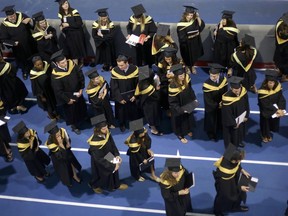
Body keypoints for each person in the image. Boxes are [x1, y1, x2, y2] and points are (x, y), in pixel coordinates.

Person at [87, 114, 128, 193]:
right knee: (102, 174)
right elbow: (99, 159)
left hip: (109, 155)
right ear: (98, 129)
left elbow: (112, 144)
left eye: (106, 127)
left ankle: (116, 185)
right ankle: (94, 185)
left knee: (114, 170)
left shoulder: (106, 132)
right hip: (100, 161)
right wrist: (112, 166)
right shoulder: (95, 142)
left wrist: (116, 155)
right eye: (103, 128)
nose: (106, 130)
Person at [50, 49, 87, 135]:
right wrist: (68, 100)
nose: (65, 63)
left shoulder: (72, 65)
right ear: (57, 64)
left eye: (65, 61)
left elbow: (80, 75)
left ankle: (84, 117)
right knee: (71, 113)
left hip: (78, 92)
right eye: (62, 63)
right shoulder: (55, 75)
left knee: (81, 106)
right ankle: (74, 126)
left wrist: (81, 88)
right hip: (68, 98)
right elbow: (58, 91)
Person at [0, 5, 37, 80]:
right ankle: (25, 71)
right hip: (18, 48)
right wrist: (13, 43)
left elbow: (33, 24)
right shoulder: (4, 26)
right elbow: (3, 39)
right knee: (22, 61)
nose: (13, 17)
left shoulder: (21, 15)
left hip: (29, 43)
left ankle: (35, 68)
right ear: (7, 17)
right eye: (10, 17)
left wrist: (29, 20)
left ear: (15, 13)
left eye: (13, 15)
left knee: (33, 56)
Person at [213, 144, 251, 215]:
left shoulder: (231, 152)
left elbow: (238, 164)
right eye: (239, 160)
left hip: (232, 178)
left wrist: (242, 170)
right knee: (222, 197)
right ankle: (217, 212)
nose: (240, 161)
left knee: (239, 194)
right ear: (233, 161)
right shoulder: (225, 172)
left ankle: (235, 207)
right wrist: (240, 188)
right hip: (225, 183)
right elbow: (227, 190)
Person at [44, 120, 82, 187]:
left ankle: (75, 176)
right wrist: (61, 144)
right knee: (64, 170)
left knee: (71, 163)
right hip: (58, 157)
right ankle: (67, 182)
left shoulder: (62, 131)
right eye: (57, 135)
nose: (60, 136)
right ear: (53, 136)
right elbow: (61, 156)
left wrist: (68, 142)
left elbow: (67, 137)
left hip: (66, 150)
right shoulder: (50, 143)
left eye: (59, 133)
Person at [110, 54, 140, 132]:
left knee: (134, 111)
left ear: (127, 63)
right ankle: (122, 124)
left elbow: (138, 84)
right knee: (121, 112)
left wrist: (135, 95)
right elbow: (114, 86)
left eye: (122, 65)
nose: (120, 67)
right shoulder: (115, 71)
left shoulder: (134, 69)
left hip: (132, 96)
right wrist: (119, 98)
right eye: (118, 65)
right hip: (121, 96)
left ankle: (135, 126)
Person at [168, 64, 197, 144]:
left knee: (188, 118)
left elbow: (190, 90)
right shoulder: (173, 86)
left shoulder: (186, 79)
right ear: (176, 76)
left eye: (183, 75)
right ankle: (180, 135)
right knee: (179, 121)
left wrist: (194, 99)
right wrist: (180, 110)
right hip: (178, 108)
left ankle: (188, 130)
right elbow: (172, 102)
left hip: (187, 104)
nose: (182, 77)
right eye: (180, 76)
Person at [258, 70, 286, 143]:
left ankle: (269, 132)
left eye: (273, 82)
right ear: (266, 82)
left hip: (275, 108)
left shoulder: (277, 87)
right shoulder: (262, 91)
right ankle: (264, 135)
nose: (272, 84)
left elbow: (280, 97)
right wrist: (276, 110)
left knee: (273, 122)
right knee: (265, 123)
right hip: (266, 109)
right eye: (270, 82)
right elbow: (265, 104)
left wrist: (281, 108)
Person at [221, 76, 250, 148]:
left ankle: (239, 141)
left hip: (241, 118)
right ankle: (230, 152)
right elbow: (227, 114)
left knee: (239, 132)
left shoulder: (243, 92)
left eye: (238, 89)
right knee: (231, 137)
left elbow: (246, 103)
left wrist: (246, 115)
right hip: (231, 122)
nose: (237, 91)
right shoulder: (226, 98)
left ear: (241, 87)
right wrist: (234, 124)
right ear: (231, 88)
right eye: (235, 89)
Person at [56, 0, 86, 65]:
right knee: (73, 51)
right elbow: (63, 23)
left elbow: (79, 23)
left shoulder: (74, 11)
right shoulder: (61, 14)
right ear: (60, 6)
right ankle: (75, 66)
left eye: (66, 3)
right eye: (63, 4)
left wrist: (69, 24)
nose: (66, 5)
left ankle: (81, 61)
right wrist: (61, 27)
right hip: (69, 35)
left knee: (80, 48)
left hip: (77, 34)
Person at [202, 63, 228, 141]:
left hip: (221, 103)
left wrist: (223, 102)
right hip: (212, 106)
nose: (213, 77)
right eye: (212, 75)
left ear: (219, 74)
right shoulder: (207, 84)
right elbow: (207, 99)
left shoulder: (223, 80)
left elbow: (225, 92)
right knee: (211, 119)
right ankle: (211, 133)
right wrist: (216, 105)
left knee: (221, 117)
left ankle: (220, 127)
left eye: (215, 75)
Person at [177, 5, 205, 74]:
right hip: (186, 43)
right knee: (186, 56)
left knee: (194, 56)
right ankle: (186, 67)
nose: (190, 16)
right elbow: (181, 37)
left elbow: (201, 26)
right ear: (185, 14)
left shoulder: (194, 21)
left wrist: (198, 17)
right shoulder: (181, 24)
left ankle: (192, 66)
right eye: (188, 15)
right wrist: (192, 36)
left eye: (191, 15)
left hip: (194, 42)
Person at [135, 65, 162, 135]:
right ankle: (154, 130)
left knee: (149, 116)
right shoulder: (148, 88)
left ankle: (151, 125)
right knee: (152, 117)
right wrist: (158, 88)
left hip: (145, 103)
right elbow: (157, 97)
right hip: (151, 105)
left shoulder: (141, 82)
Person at [30, 55, 59, 120]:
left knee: (54, 102)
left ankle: (56, 113)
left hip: (51, 88)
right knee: (48, 105)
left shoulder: (46, 65)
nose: (41, 65)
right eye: (38, 65)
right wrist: (41, 96)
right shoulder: (34, 74)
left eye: (41, 63)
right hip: (44, 93)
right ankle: (51, 116)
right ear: (34, 65)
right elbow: (36, 87)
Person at [156, 47, 182, 113]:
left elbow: (182, 73)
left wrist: (174, 76)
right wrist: (166, 77)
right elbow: (159, 75)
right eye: (166, 59)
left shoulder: (178, 62)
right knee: (164, 93)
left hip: (176, 82)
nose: (167, 60)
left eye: (169, 59)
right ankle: (167, 109)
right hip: (165, 83)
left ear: (173, 57)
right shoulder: (161, 63)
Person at [213, 10, 239, 74]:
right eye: (222, 19)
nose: (222, 21)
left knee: (229, 58)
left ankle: (230, 69)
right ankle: (219, 68)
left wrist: (219, 30)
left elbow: (222, 36)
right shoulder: (220, 25)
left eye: (224, 20)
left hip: (229, 46)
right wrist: (215, 32)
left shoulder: (232, 28)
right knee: (219, 58)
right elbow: (217, 35)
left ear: (229, 21)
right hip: (220, 46)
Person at [273, 13, 288, 82]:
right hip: (285, 50)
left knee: (278, 60)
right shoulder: (283, 27)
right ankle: (284, 77)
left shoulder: (279, 22)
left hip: (279, 48)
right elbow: (284, 36)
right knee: (285, 63)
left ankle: (280, 72)